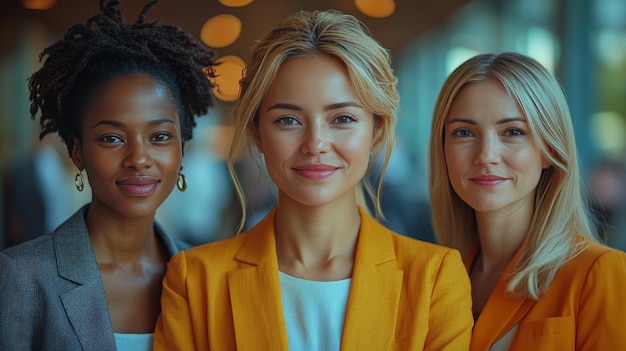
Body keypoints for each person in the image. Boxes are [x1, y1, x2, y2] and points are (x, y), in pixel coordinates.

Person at [155, 9, 473, 351]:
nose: (316, 144)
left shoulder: (435, 277)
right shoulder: (195, 279)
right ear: (257, 134)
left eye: (342, 118)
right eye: (288, 120)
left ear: (376, 131)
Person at [0, 0, 216, 349]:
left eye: (159, 137)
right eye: (112, 138)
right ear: (78, 152)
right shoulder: (21, 277)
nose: (139, 159)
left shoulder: (208, 279)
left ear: (183, 150)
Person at [428, 52, 626, 350]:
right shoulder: (439, 277)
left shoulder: (597, 272)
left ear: (549, 151)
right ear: (442, 148)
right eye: (464, 132)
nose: (486, 156)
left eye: (512, 132)